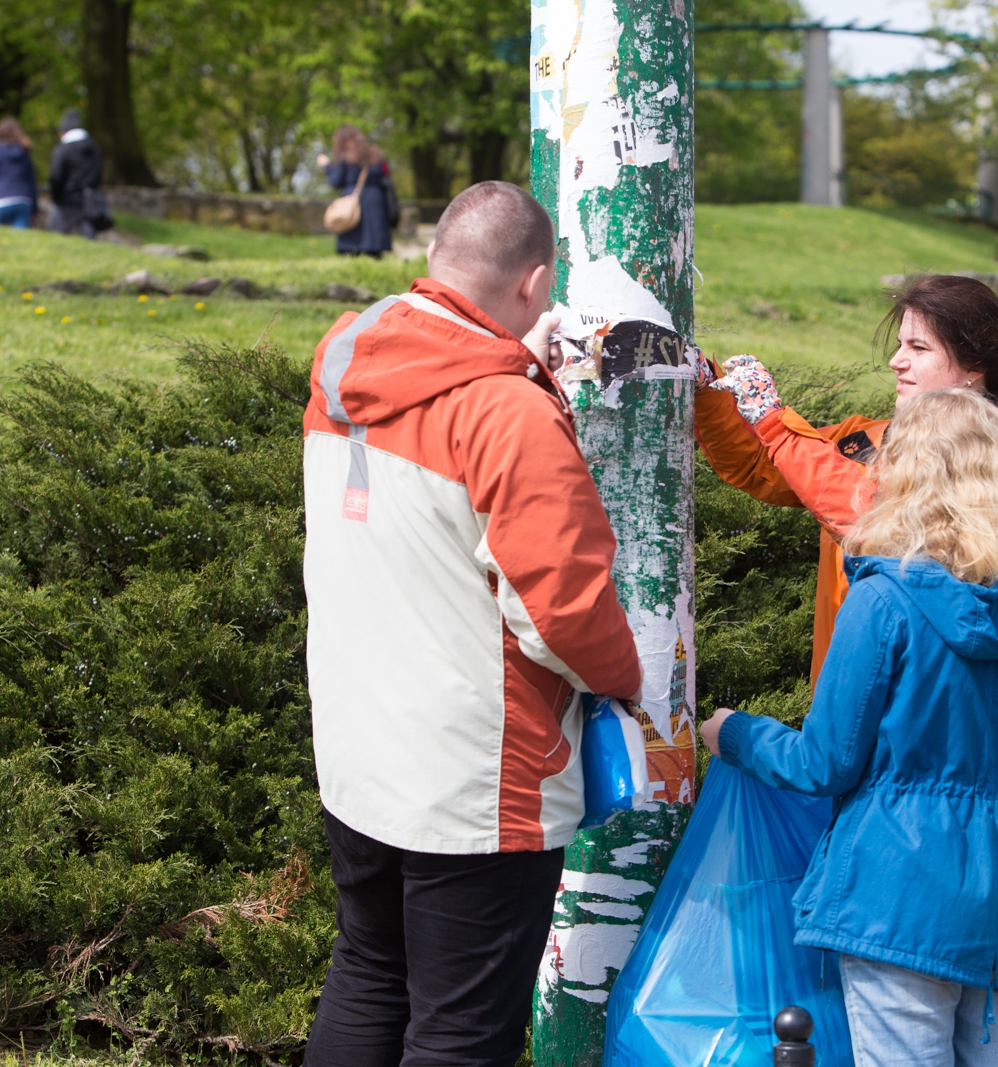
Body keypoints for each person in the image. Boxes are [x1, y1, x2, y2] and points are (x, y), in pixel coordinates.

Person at [301, 180, 644, 1067]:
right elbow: (561, 613)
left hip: (358, 752)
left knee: (369, 972)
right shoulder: (507, 412)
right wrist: (629, 681)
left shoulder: (345, 356)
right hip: (475, 782)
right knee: (461, 1033)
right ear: (535, 285)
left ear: (434, 259)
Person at [700, 387, 998, 1067]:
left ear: (902, 474)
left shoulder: (882, 599)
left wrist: (734, 732)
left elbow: (825, 763)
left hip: (896, 893)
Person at [696, 274, 998, 686]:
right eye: (900, 344)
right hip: (856, 692)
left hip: (926, 711)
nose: (896, 361)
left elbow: (885, 526)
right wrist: (708, 389)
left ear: (974, 364)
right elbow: (760, 464)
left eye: (918, 348)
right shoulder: (870, 436)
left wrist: (776, 424)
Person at [318, 125, 399, 257]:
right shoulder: (377, 154)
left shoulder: (345, 155)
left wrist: (326, 166)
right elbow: (386, 176)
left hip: (354, 200)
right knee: (374, 248)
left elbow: (335, 181)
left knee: (352, 246)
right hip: (376, 201)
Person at [48, 109, 106, 238]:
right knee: (88, 237)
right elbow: (98, 174)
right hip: (88, 200)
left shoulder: (62, 150)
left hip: (66, 201)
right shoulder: (93, 149)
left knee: (56, 236)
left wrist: (56, 197)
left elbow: (55, 176)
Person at [0, 118, 37, 228]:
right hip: (23, 201)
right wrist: (35, 209)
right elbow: (31, 180)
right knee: (20, 241)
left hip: (0, 201)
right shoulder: (24, 152)